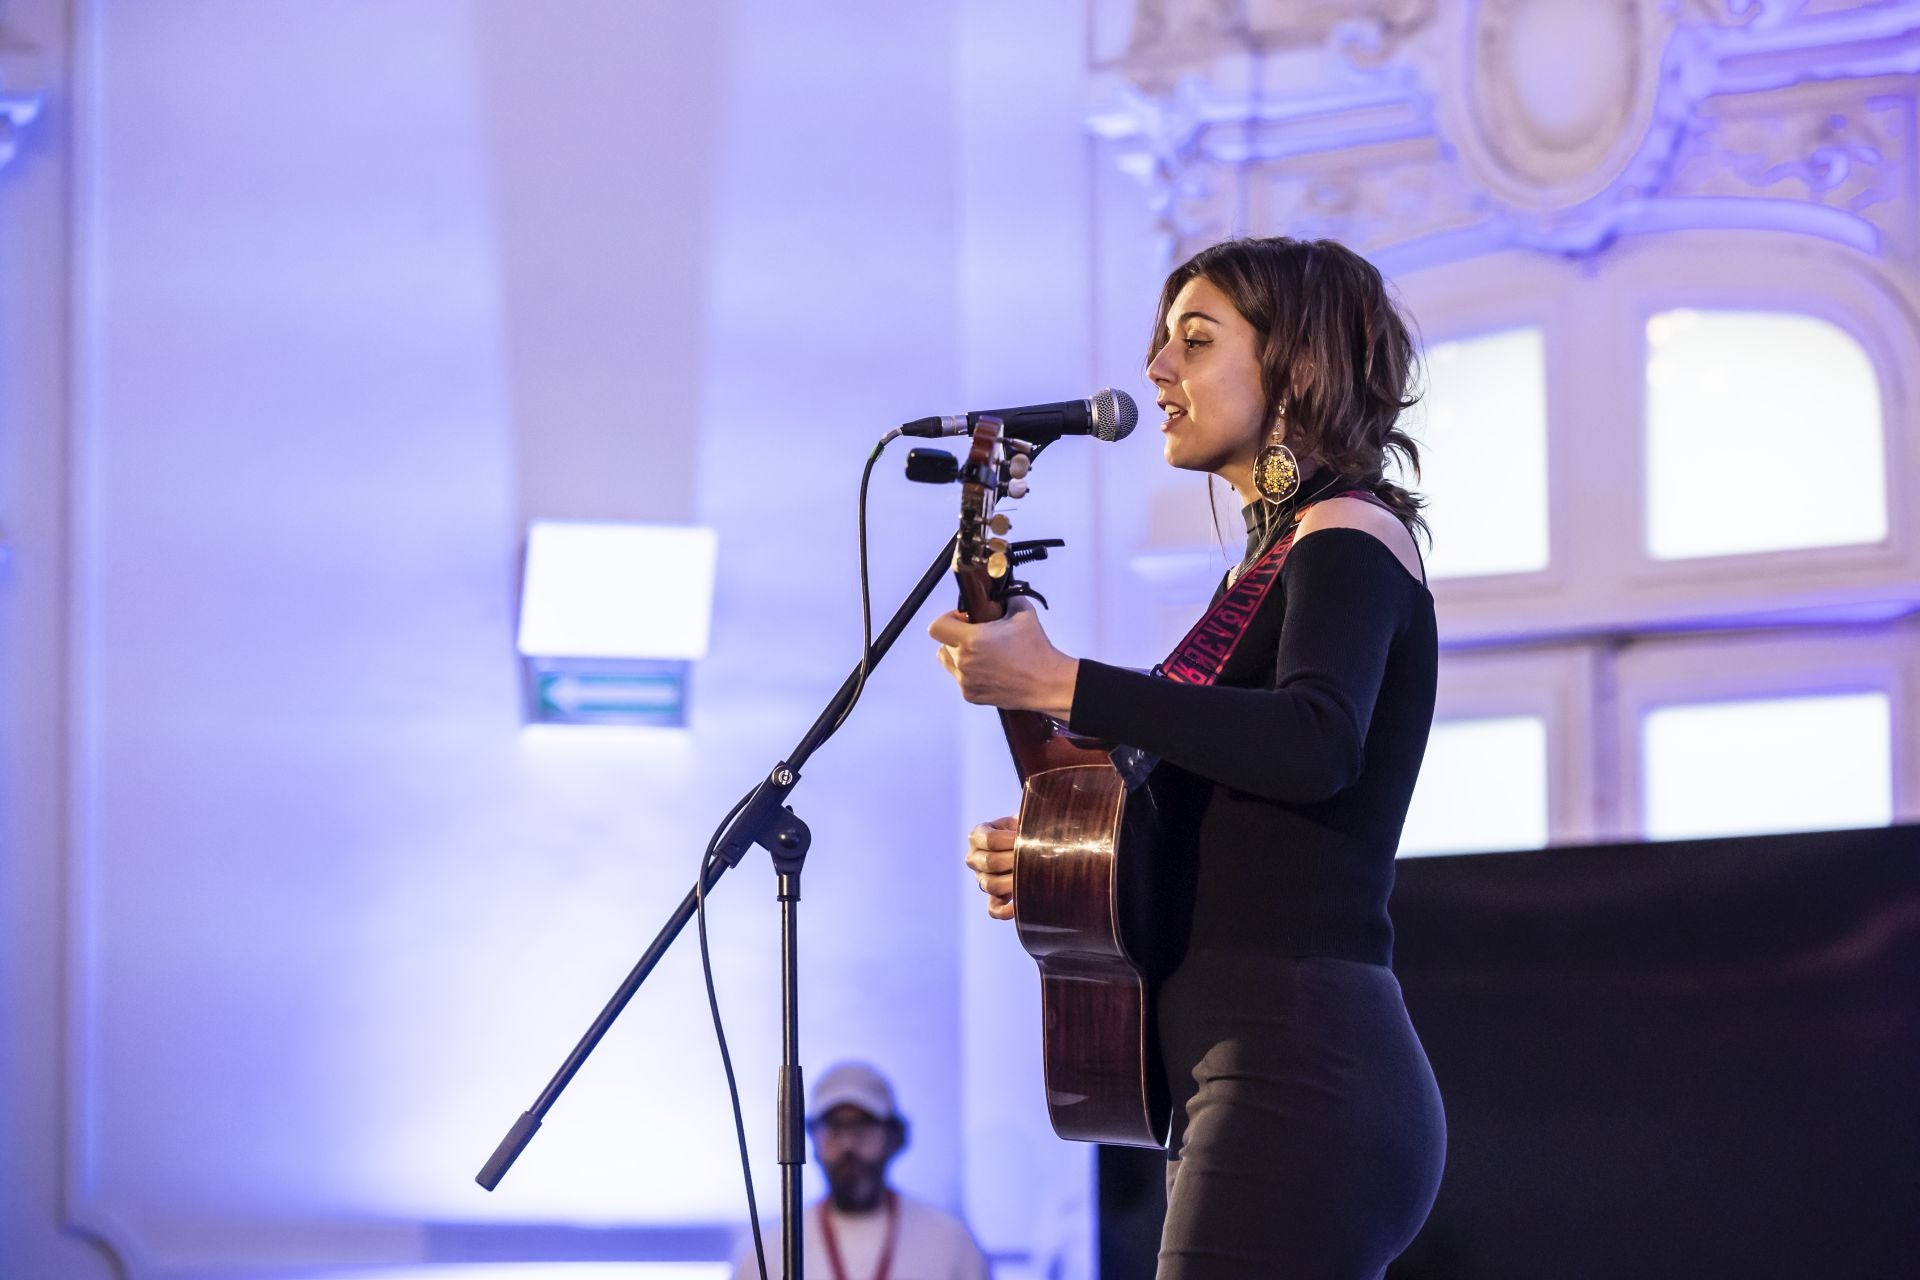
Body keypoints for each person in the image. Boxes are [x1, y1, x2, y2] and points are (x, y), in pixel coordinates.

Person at [929, 236, 1447, 1277]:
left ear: (1299, 366)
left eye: (1196, 341)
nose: (1157, 367)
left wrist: (1065, 679)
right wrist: (1061, 850)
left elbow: (1315, 742)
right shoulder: (1268, 564)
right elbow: (1221, 806)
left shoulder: (1348, 532)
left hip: (1297, 1061)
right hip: (1256, 1065)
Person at [729, 1060, 991, 1280]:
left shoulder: (950, 1243)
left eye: (863, 1126)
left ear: (894, 1137)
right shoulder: (771, 1250)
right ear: (811, 1140)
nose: (849, 1144)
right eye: (834, 1128)